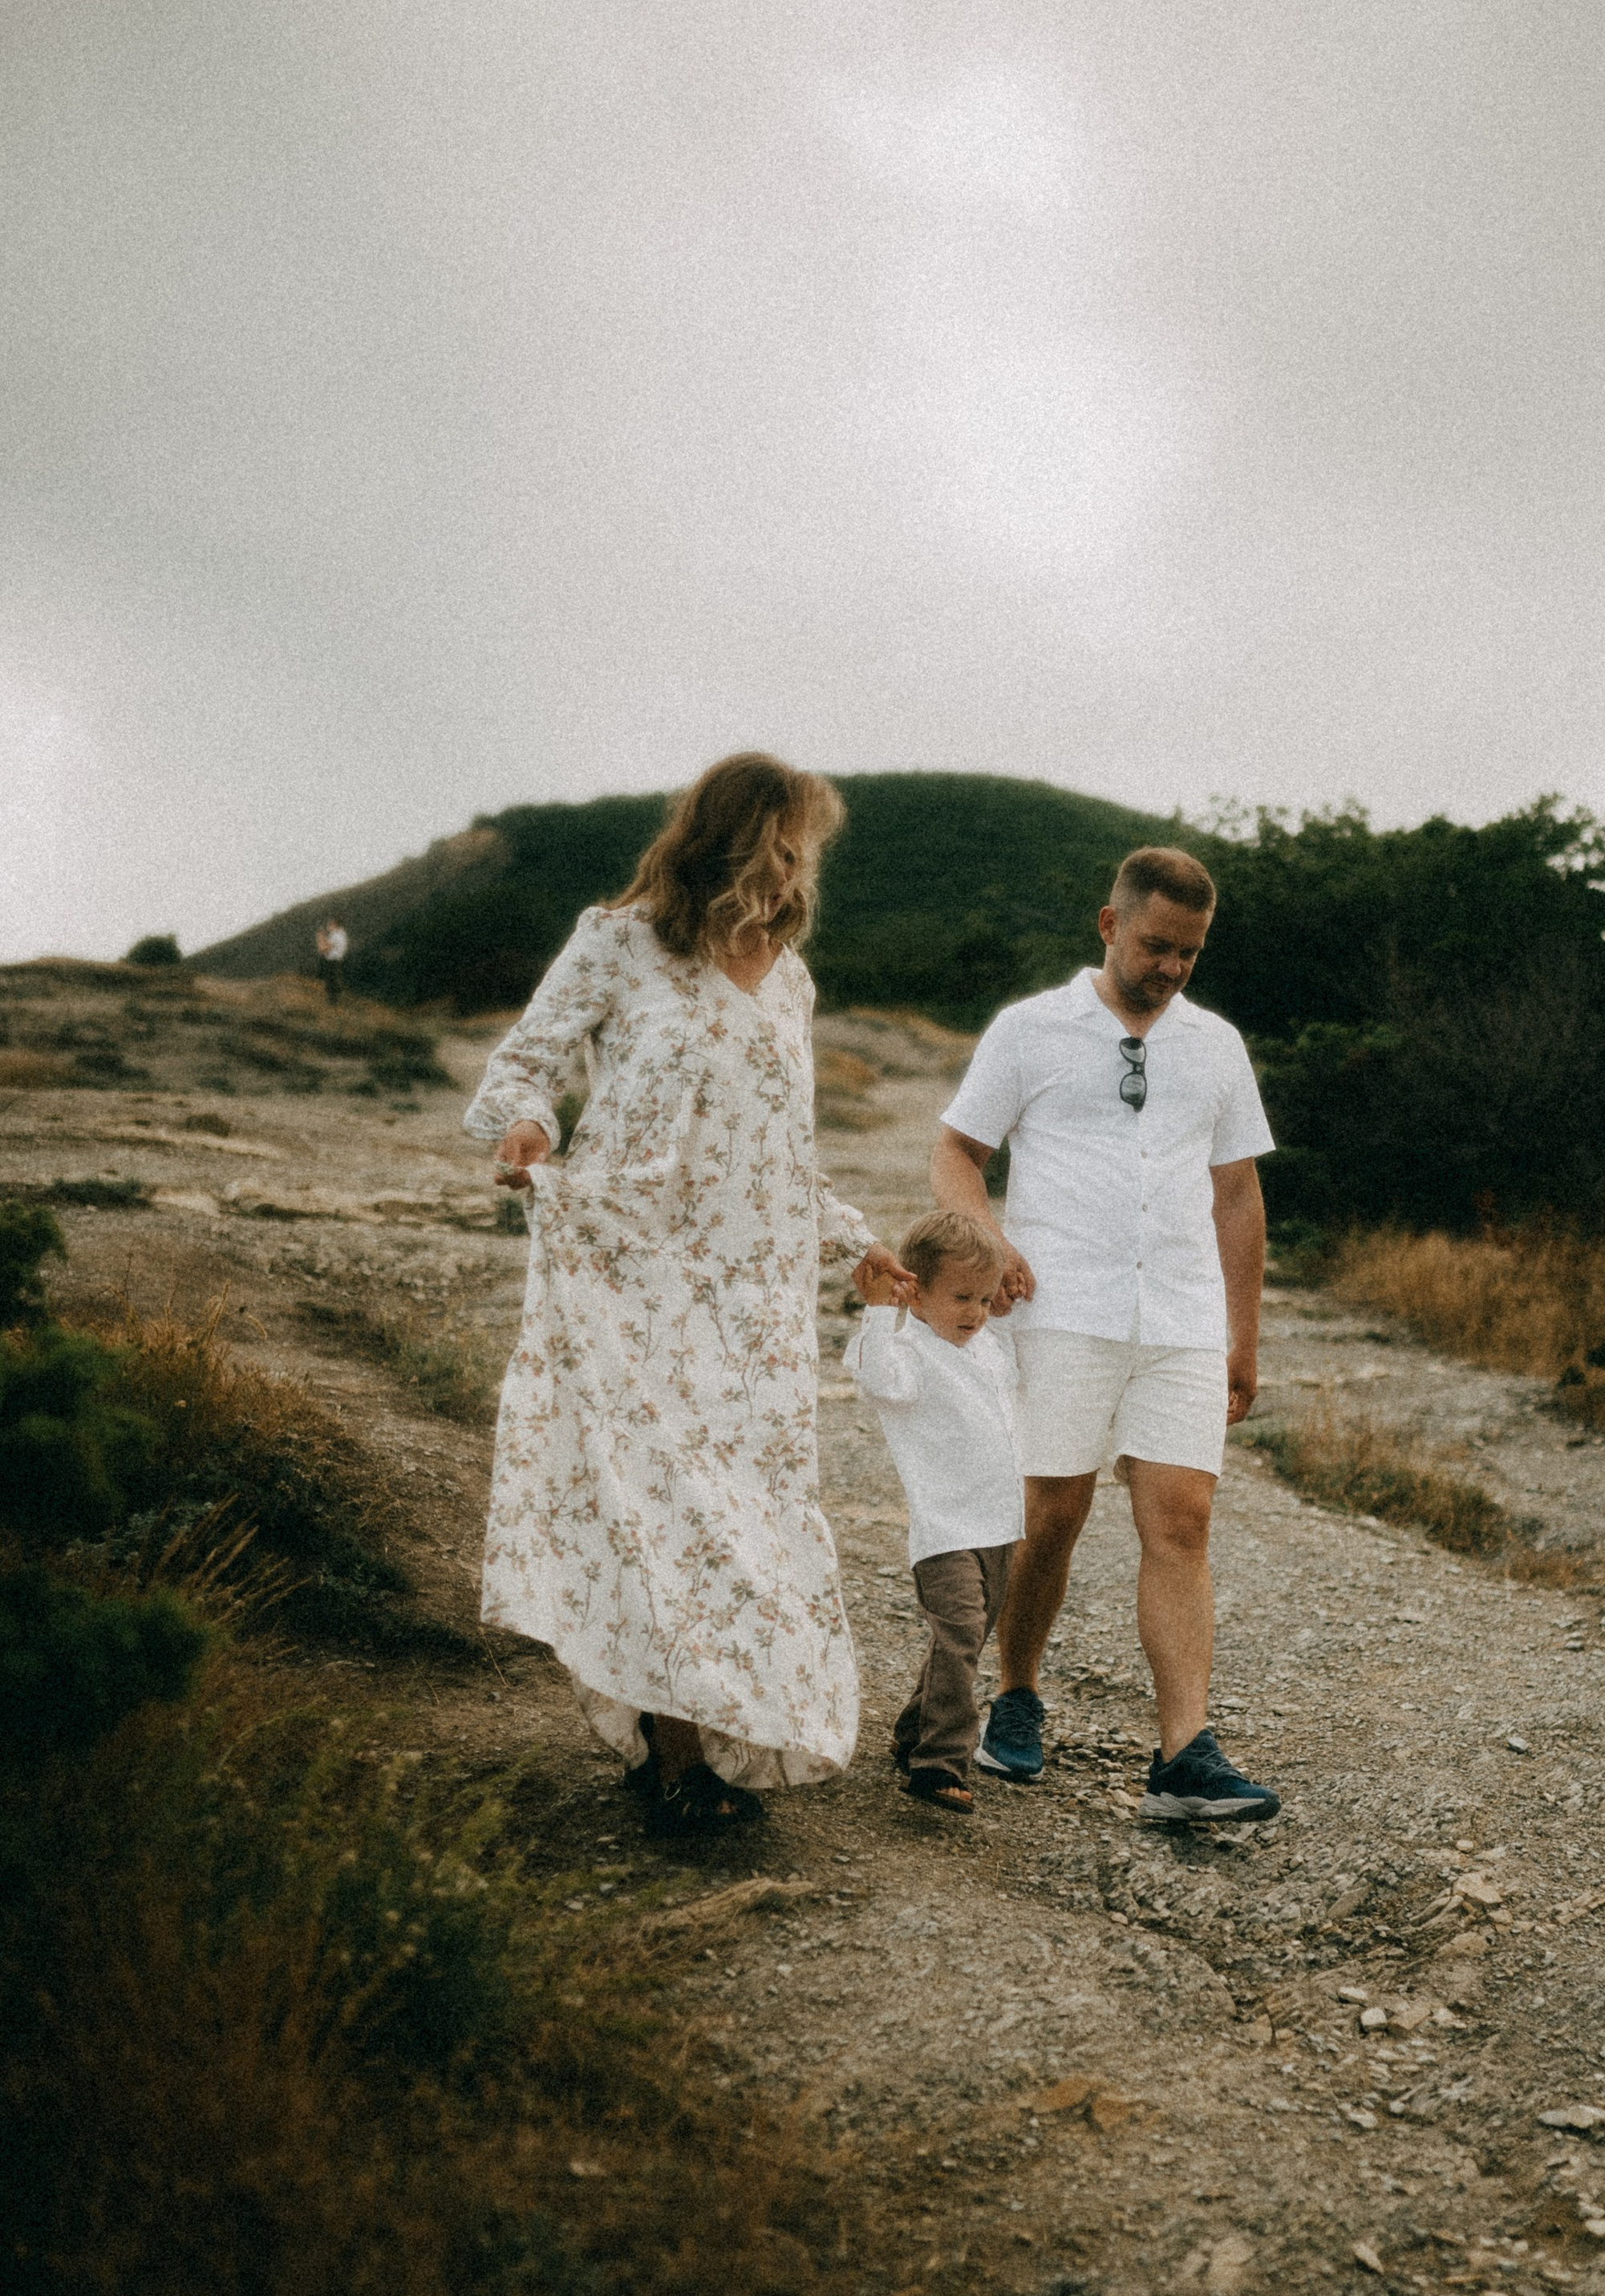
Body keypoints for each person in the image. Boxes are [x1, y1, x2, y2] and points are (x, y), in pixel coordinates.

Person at [464, 753, 913, 1832]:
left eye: (809, 844)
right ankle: (676, 1753)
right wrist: (531, 1124)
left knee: (746, 1517)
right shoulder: (620, 941)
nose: (800, 862)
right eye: (787, 838)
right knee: (661, 1506)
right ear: (734, 837)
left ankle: (713, 1725)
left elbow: (782, 1149)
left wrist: (849, 1238)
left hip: (754, 1296)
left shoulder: (792, 977)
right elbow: (524, 1062)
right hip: (638, 1272)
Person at [931, 843, 1281, 1826]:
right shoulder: (1030, 1029)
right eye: (1154, 945)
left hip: (1178, 1314)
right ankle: (1018, 1695)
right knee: (1053, 1514)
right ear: (1108, 925)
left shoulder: (1215, 1045)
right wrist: (986, 1241)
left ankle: (1183, 1755)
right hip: (1061, 1310)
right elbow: (957, 1149)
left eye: (1189, 953)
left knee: (1181, 1521)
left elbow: (1237, 1191)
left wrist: (1241, 1337)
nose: (1169, 968)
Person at [844, 1208, 1022, 1816]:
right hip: (945, 1529)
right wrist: (876, 1309)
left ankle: (913, 1728)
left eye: (983, 1296)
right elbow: (874, 1379)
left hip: (1001, 1524)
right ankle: (940, 1760)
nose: (974, 1311)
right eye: (960, 1297)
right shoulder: (907, 1351)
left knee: (966, 1637)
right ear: (916, 1291)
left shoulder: (988, 1348)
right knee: (962, 1631)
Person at [314, 916, 349, 1006]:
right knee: (333, 981)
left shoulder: (336, 935)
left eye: (329, 924)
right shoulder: (340, 934)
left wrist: (319, 937)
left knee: (332, 982)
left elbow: (323, 949)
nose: (328, 926)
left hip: (333, 961)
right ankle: (334, 1002)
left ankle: (333, 1003)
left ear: (334, 925)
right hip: (335, 960)